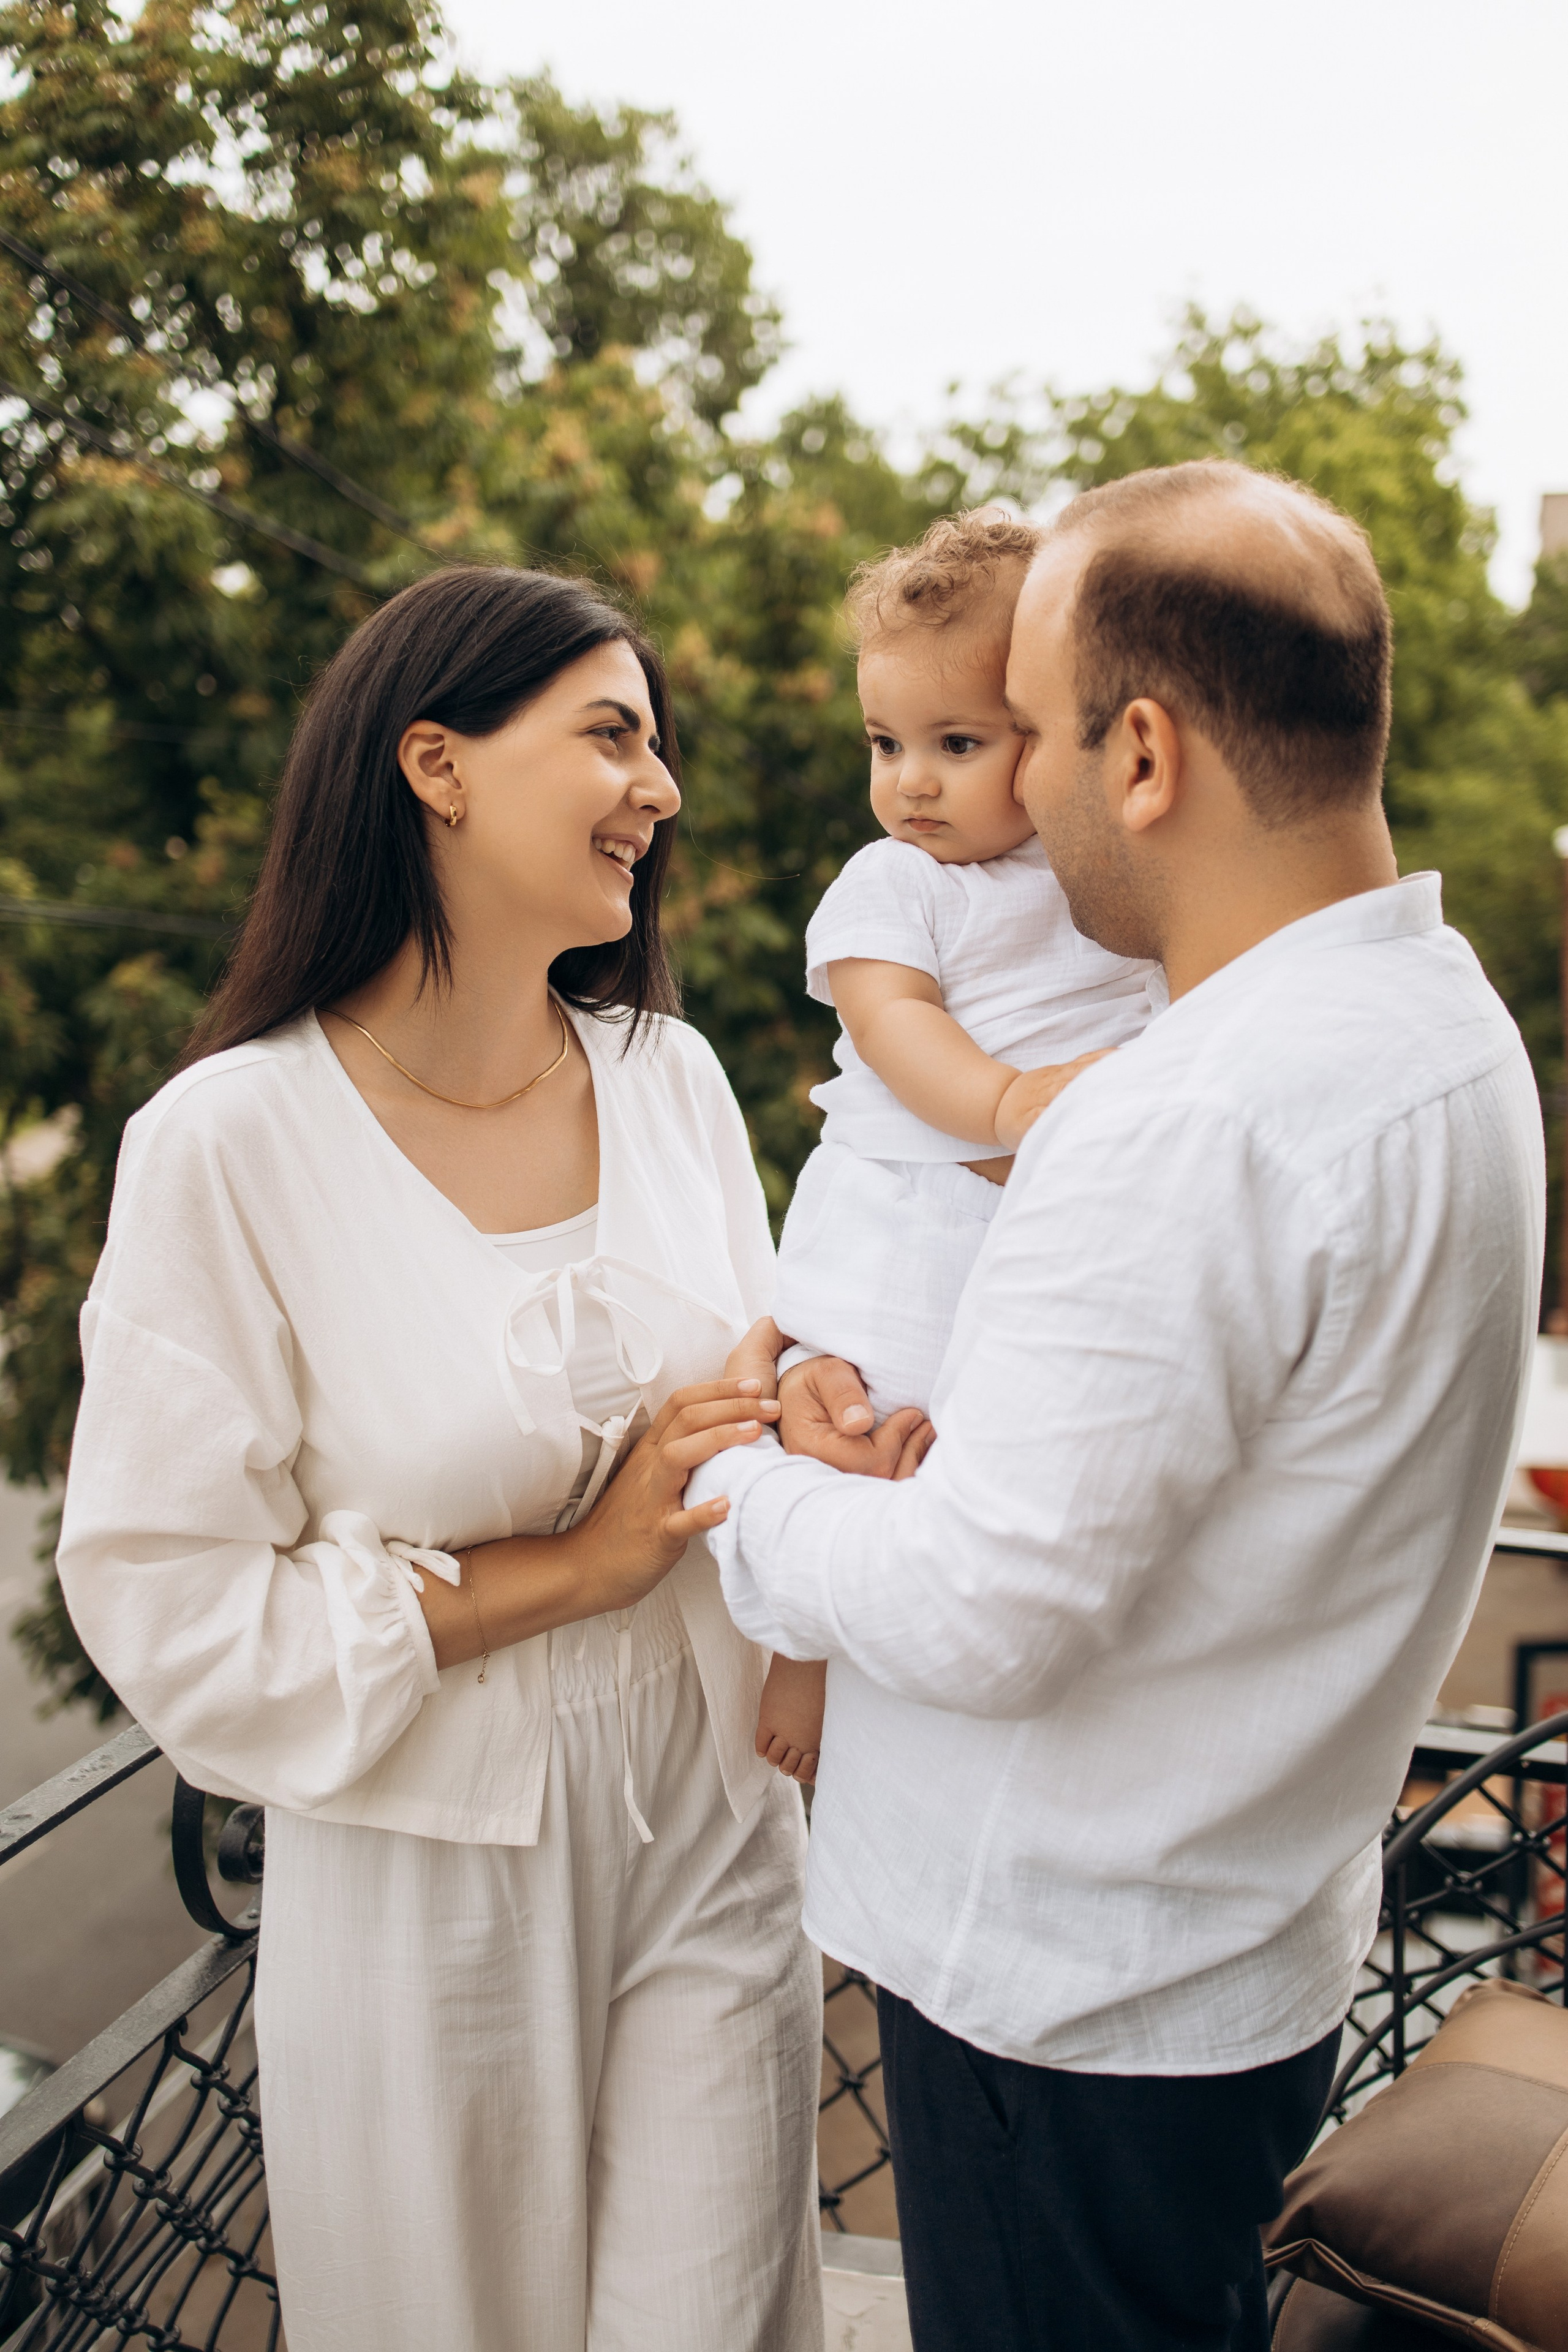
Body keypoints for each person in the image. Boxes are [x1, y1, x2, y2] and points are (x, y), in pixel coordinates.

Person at [698, 461, 1546, 2351]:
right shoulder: (1446, 1026)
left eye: (1042, 734)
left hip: (1063, 1997)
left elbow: (987, 1607)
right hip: (1234, 1948)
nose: (1012, 797)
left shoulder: (1184, 1120)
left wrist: (753, 1490)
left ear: (1144, 752)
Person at [55, 567, 825, 2352]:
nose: (665, 790)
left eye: (658, 746)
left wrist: (832, 1430)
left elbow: (760, 1399)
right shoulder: (229, 1144)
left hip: (718, 1829)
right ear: (438, 764)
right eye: (612, 736)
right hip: (424, 1881)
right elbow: (170, 1605)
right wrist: (579, 1564)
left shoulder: (675, 1081)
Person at [756, 510, 1155, 1785]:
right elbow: (890, 1022)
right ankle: (800, 1650)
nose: (909, 781)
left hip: (1017, 1222)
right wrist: (1004, 1107)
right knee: (865, 1417)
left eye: (956, 743)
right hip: (901, 1204)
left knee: (978, 1447)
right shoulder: (896, 883)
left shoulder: (1097, 881)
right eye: (885, 744)